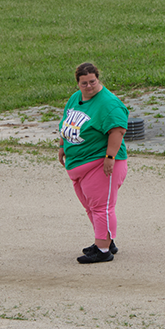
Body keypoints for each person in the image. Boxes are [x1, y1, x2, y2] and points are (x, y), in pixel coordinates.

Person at [59, 61, 129, 264]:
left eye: (92, 82)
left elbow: (117, 131)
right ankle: (105, 239)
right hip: (79, 162)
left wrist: (110, 157)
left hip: (100, 163)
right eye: (84, 83)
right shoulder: (75, 98)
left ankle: (103, 250)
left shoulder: (109, 103)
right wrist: (62, 145)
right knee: (91, 207)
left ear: (98, 79)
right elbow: (67, 122)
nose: (89, 86)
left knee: (101, 207)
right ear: (77, 83)